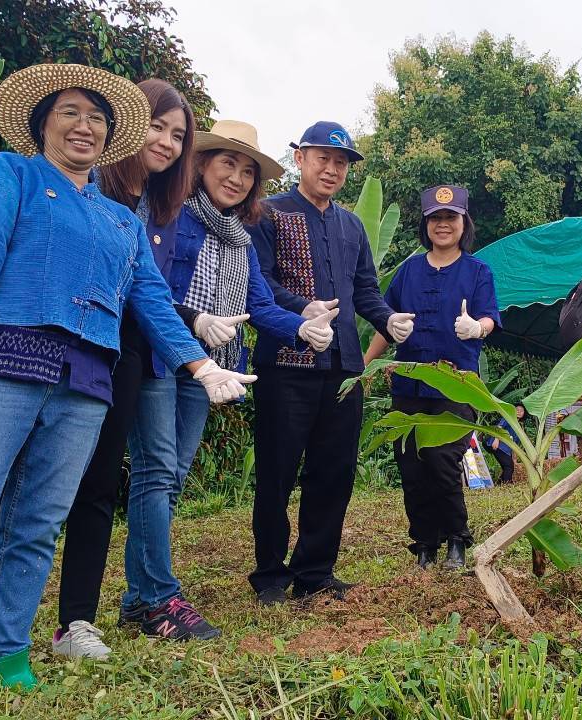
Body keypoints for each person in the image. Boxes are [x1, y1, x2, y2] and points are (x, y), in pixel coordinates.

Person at [0, 64, 253, 720]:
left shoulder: (121, 219)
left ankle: (5, 649)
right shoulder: (8, 175)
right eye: (70, 112)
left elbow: (148, 297)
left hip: (84, 386)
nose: (84, 126)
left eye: (97, 118)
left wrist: (199, 367)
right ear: (42, 123)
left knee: (37, 525)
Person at [0, 77, 199, 665]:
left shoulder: (155, 206)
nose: (165, 142)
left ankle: (74, 621)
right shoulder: (77, 179)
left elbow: (149, 293)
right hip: (38, 348)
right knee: (9, 483)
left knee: (97, 487)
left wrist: (198, 352)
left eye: (178, 135)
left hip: (120, 357)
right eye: (156, 126)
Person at [122, 120, 337, 637]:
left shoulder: (238, 236)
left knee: (170, 477)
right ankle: (156, 598)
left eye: (247, 171)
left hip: (209, 369)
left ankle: (139, 596)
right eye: (227, 165)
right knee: (156, 474)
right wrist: (193, 320)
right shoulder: (166, 212)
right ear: (199, 164)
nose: (237, 179)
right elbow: (143, 284)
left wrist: (304, 330)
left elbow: (259, 305)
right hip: (157, 358)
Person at [248, 121, 414, 605]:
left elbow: (365, 290)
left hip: (344, 368)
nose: (332, 168)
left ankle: (315, 570)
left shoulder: (351, 226)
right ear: (299, 158)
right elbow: (259, 283)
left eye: (341, 162)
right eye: (323, 157)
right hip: (286, 361)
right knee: (278, 471)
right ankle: (271, 575)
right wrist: (301, 310)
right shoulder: (268, 214)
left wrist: (389, 321)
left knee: (334, 470)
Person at [364, 185, 500, 570]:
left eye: (451, 218)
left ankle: (457, 537)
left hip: (457, 383)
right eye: (435, 219)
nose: (443, 225)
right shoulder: (408, 270)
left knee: (442, 461)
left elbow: (491, 316)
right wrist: (365, 364)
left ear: (463, 223)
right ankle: (424, 541)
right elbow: (384, 322)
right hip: (409, 385)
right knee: (412, 465)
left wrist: (477, 327)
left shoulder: (477, 271)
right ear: (426, 225)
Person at [488, 405, 526, 485]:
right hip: (499, 446)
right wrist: (496, 439)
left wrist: (514, 458)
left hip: (506, 450)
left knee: (507, 467)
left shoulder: (519, 426)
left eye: (521, 411)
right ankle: (507, 484)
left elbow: (515, 444)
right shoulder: (508, 418)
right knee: (509, 467)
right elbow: (499, 427)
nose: (519, 412)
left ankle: (499, 484)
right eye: (517, 410)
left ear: (523, 414)